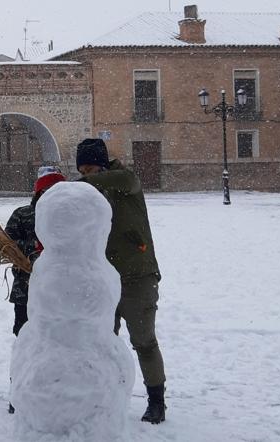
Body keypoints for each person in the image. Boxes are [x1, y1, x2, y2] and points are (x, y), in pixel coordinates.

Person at [76, 137, 166, 425]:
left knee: (144, 342)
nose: (87, 175)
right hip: (104, 279)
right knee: (102, 343)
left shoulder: (127, 180)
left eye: (91, 168)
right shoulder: (88, 190)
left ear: (102, 164)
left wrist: (74, 186)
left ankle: (156, 401)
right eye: (83, 170)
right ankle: (104, 397)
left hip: (138, 278)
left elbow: (117, 181)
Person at [5, 166, 64, 336]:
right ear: (39, 192)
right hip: (26, 286)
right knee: (25, 333)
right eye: (47, 190)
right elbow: (7, 245)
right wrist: (35, 246)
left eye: (57, 191)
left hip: (61, 288)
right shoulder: (23, 214)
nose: (52, 195)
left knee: (58, 334)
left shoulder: (70, 215)